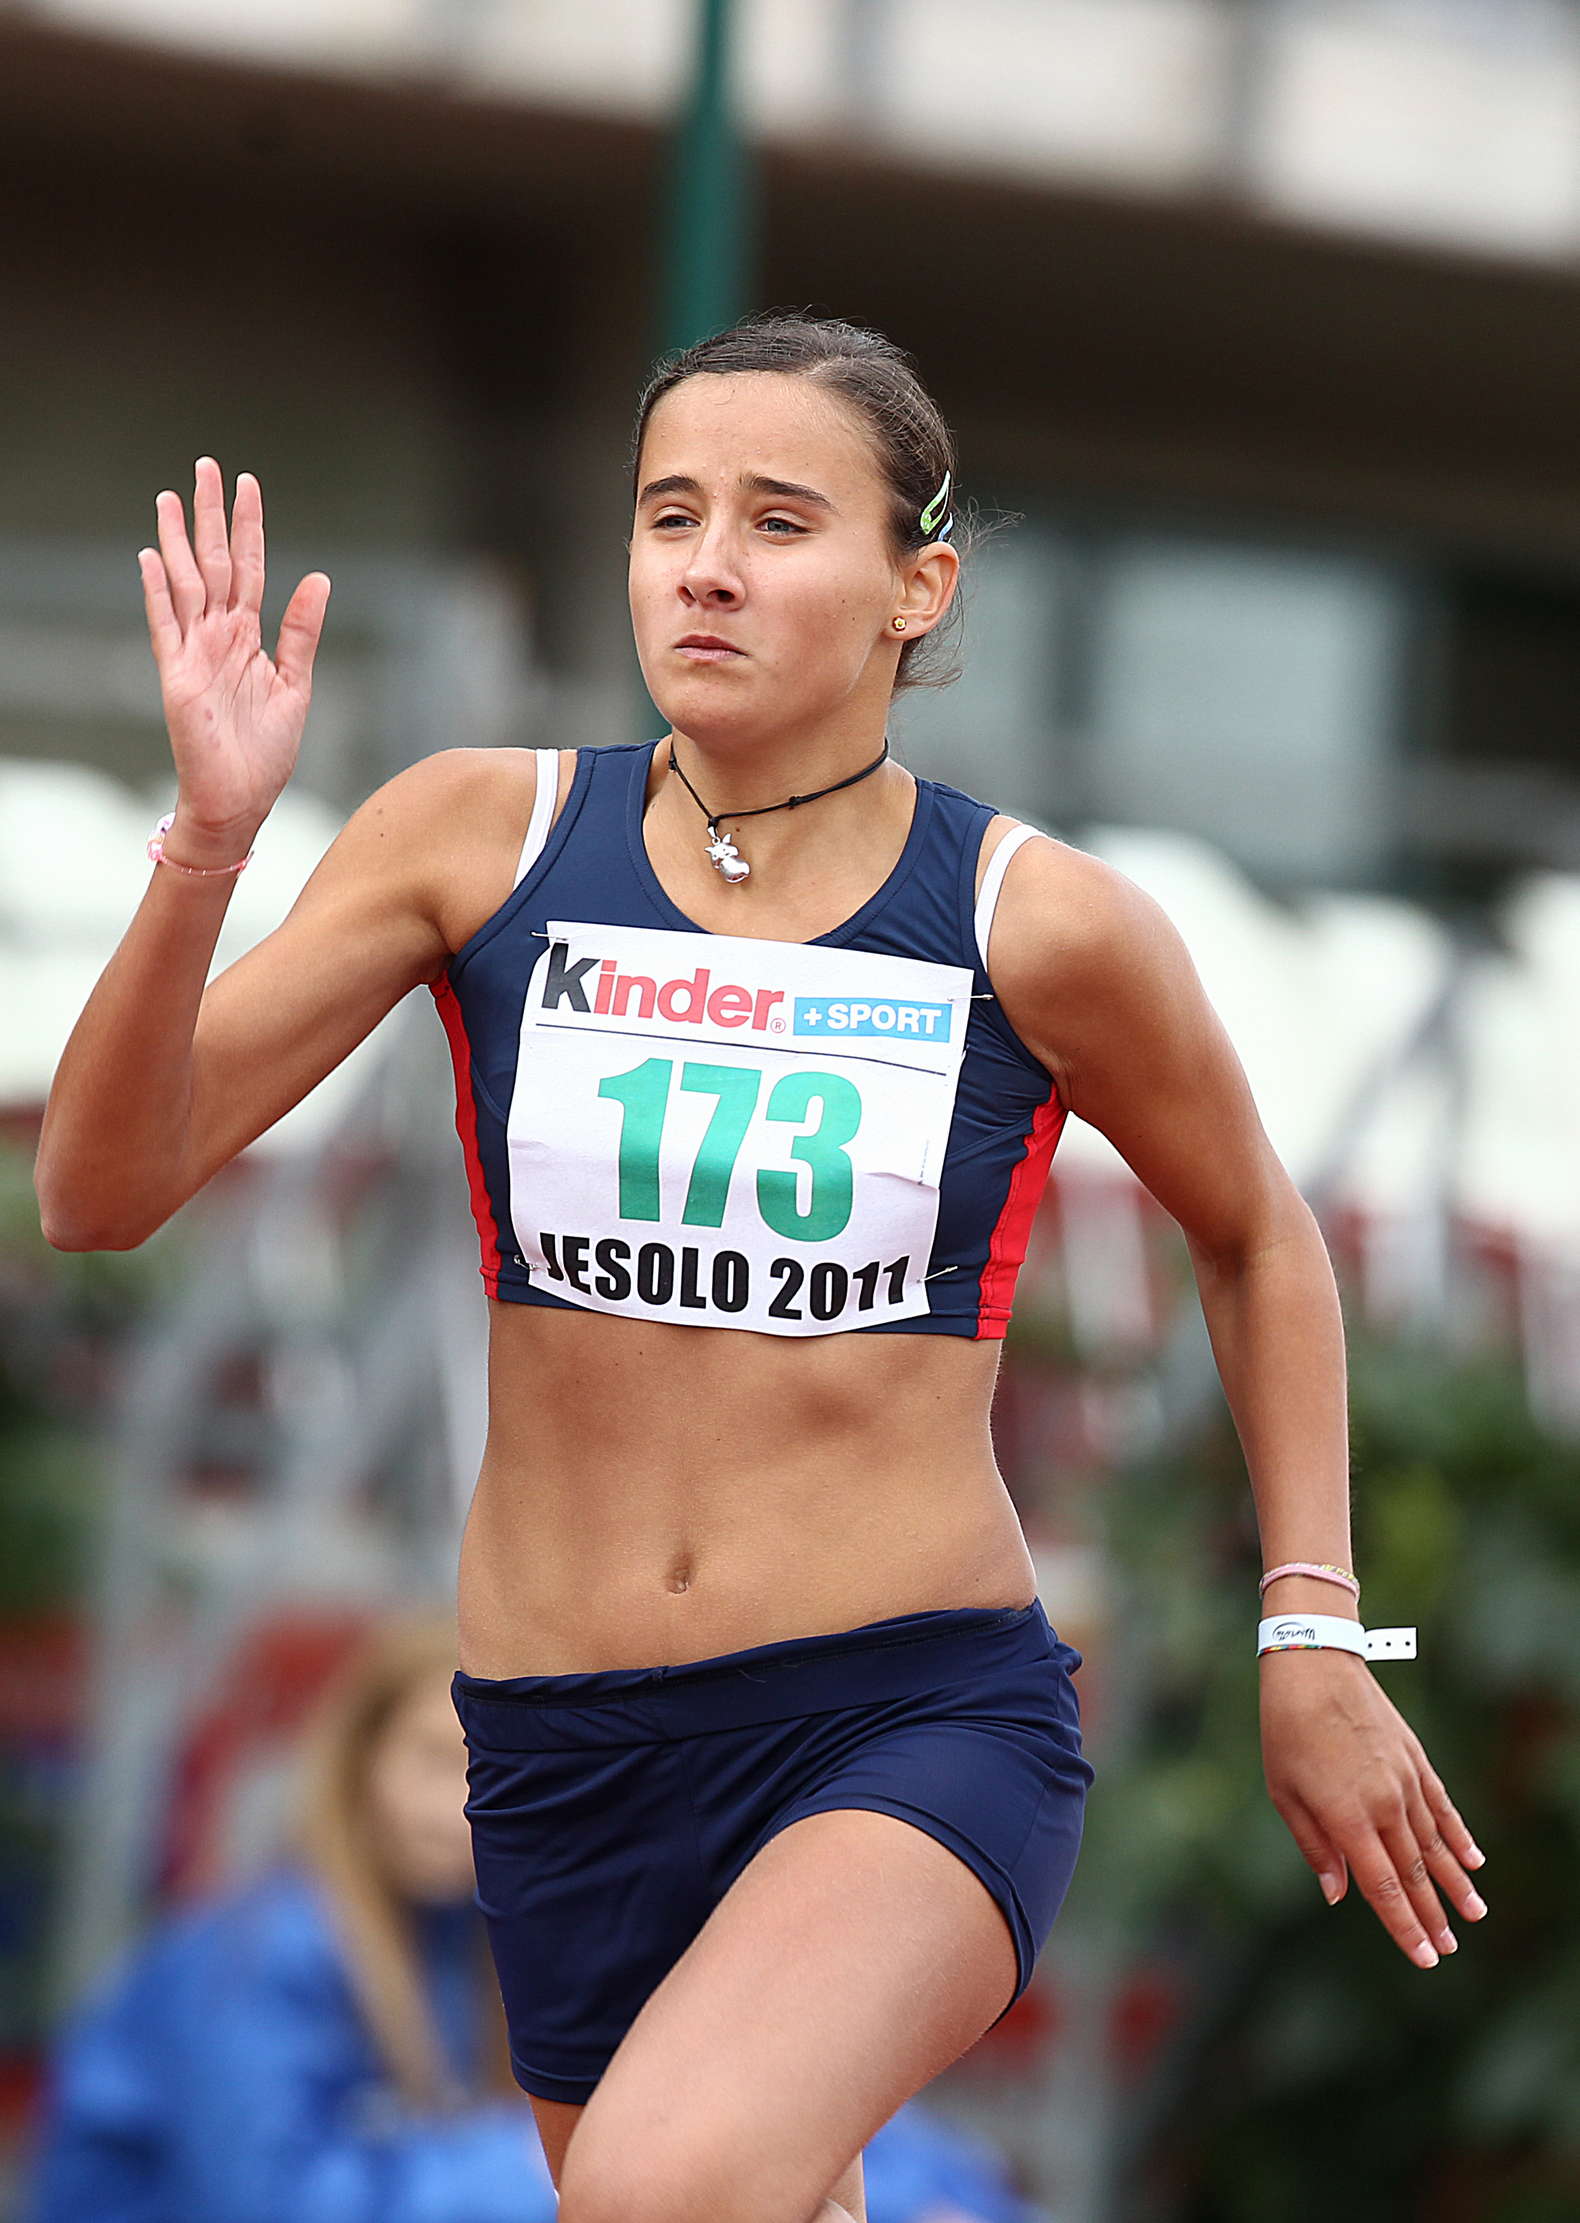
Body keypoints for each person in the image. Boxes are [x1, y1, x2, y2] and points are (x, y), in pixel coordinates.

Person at [35, 311, 1489, 2223]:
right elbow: (101, 1184)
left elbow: (1255, 1233)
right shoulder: (481, 834)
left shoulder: (1037, 922)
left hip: (905, 1715)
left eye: (779, 521)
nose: (706, 565)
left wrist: (1314, 1625)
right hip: (561, 1746)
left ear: (917, 584)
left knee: (663, 2191)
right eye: (671, 514)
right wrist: (210, 843)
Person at [25, 1613, 558, 2223]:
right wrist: (528, 2165)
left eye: (493, 1774)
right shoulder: (256, 1953)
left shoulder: (463, 1938)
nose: (458, 1807)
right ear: (361, 1758)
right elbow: (266, 2202)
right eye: (434, 1759)